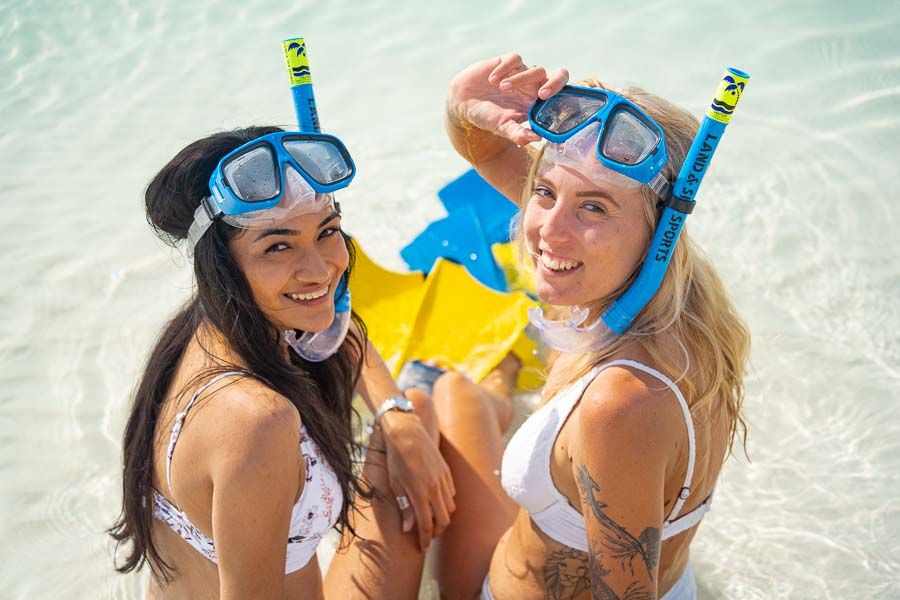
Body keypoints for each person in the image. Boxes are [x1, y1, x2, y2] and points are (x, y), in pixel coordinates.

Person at [419, 54, 750, 599]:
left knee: (432, 411)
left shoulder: (620, 403)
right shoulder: (684, 300)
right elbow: (482, 146)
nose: (549, 230)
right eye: (545, 192)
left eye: (593, 209)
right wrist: (463, 101)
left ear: (656, 229)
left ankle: (482, 386)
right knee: (456, 394)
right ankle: (494, 384)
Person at [108, 125, 455, 599]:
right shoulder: (257, 421)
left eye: (327, 232)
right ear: (220, 265)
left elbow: (341, 330)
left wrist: (396, 417)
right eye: (278, 245)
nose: (319, 270)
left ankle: (431, 391)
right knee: (460, 406)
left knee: (419, 409)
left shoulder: (211, 331)